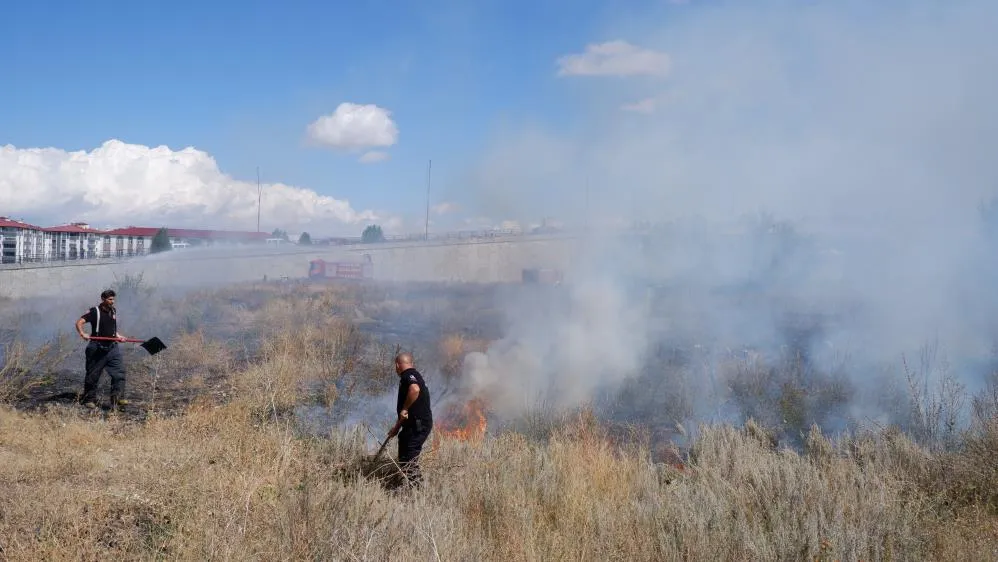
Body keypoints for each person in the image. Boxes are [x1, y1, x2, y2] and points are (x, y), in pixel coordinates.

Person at [75, 289, 128, 409]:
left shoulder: (113, 311)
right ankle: (89, 399)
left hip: (112, 348)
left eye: (113, 299)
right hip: (97, 348)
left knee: (119, 373)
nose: (112, 302)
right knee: (93, 375)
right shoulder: (95, 311)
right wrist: (83, 334)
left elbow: (112, 330)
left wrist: (119, 337)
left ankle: (118, 399)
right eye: (110, 299)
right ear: (103, 299)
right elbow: (79, 322)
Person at [386, 352, 433, 489]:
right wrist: (396, 428)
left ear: (397, 365)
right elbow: (404, 414)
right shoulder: (414, 375)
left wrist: (405, 408)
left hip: (418, 425)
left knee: (409, 456)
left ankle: (417, 490)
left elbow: (415, 389)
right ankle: (409, 486)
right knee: (404, 451)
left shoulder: (408, 375)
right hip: (413, 424)